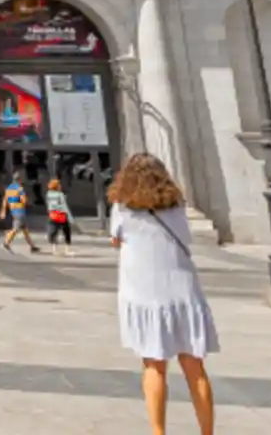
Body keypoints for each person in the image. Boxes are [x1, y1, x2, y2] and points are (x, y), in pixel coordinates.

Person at [109, 153, 217, 435]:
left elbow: (116, 240)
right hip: (182, 289)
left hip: (144, 291)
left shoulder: (122, 207)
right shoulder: (177, 204)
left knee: (154, 366)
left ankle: (158, 432)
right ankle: (207, 433)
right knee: (195, 367)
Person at [0, 176, 40, 254]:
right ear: (19, 180)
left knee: (25, 230)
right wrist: (27, 200)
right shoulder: (19, 188)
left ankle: (32, 246)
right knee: (15, 228)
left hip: (13, 210)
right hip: (20, 210)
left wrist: (3, 211)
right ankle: (6, 243)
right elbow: (24, 200)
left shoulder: (9, 188)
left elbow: (5, 201)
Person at [45, 178, 75, 256]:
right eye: (59, 185)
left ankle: (54, 250)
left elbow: (48, 205)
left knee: (54, 232)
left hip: (53, 215)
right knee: (67, 232)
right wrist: (70, 218)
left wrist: (50, 212)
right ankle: (67, 250)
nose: (60, 186)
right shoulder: (60, 195)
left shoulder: (48, 194)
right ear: (56, 186)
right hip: (61, 215)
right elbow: (64, 206)